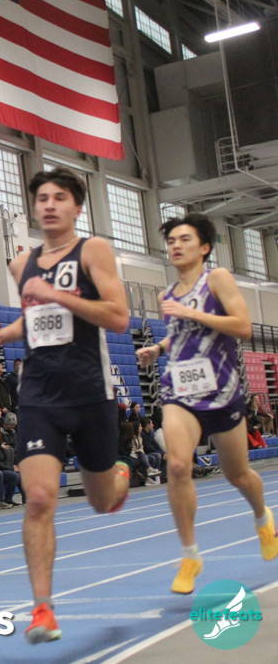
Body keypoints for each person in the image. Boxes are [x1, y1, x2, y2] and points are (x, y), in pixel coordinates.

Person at [0, 167, 131, 644]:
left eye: (59, 197)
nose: (49, 204)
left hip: (90, 393)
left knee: (101, 501)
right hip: (40, 396)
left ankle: (119, 476)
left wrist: (57, 294)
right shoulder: (21, 264)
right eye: (42, 197)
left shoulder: (93, 250)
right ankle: (42, 609)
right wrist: (7, 332)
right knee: (41, 498)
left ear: (76, 208)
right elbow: (38, 317)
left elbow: (119, 317)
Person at [136, 213, 277, 595]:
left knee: (238, 474)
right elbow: (182, 333)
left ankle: (263, 519)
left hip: (222, 390)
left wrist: (191, 311)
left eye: (184, 239)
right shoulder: (167, 294)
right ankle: (190, 555)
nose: (176, 245)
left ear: (204, 247)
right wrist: (158, 348)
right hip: (180, 390)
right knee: (178, 464)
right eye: (171, 241)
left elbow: (243, 326)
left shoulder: (217, 279)